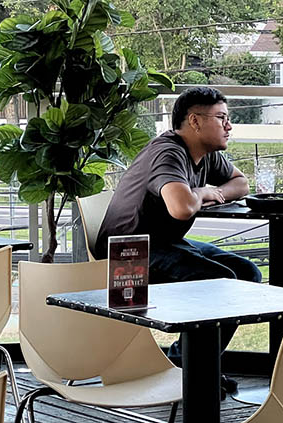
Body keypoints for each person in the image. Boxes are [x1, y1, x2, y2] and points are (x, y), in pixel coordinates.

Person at [97, 87, 262, 393]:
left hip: (164, 243)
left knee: (247, 273)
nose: (229, 126)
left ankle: (185, 365)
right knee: (221, 282)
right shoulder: (169, 152)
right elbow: (182, 207)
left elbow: (241, 183)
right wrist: (201, 192)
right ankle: (192, 371)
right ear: (194, 121)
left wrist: (214, 192)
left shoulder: (205, 155)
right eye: (221, 118)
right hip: (129, 252)